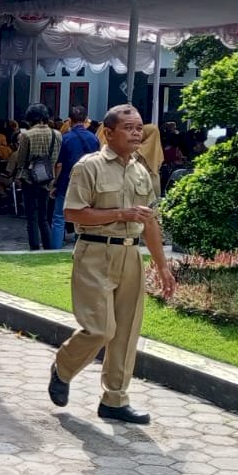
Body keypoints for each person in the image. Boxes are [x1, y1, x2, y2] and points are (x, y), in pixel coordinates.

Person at [48, 104, 178, 425]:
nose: (137, 133)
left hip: (131, 255)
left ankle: (115, 400)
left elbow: (150, 222)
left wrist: (162, 266)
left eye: (139, 128)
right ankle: (63, 368)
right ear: (108, 133)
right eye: (129, 128)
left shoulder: (141, 170)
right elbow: (73, 213)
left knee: (127, 332)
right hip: (95, 252)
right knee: (100, 329)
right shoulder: (88, 167)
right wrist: (120, 214)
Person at [8, 104, 61, 250]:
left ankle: (34, 247)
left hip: (29, 178)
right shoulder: (57, 134)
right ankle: (49, 248)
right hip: (47, 177)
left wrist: (18, 175)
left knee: (31, 217)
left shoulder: (26, 135)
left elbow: (21, 159)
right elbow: (55, 158)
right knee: (44, 218)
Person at [52, 110, 101, 248]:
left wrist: (55, 182)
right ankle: (82, 245)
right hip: (89, 182)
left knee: (58, 217)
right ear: (86, 119)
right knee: (83, 215)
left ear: (70, 120)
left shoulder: (66, 138)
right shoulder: (94, 138)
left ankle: (55, 248)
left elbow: (59, 164)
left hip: (66, 181)